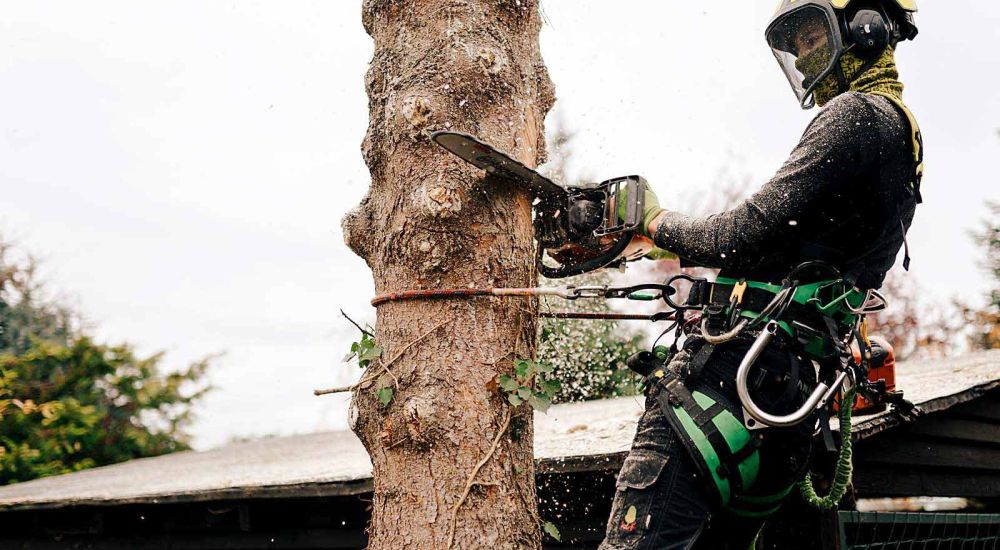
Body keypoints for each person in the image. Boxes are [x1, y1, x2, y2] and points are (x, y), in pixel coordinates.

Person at [598, 1, 923, 548]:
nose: (800, 55)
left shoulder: (859, 115)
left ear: (866, 29)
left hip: (732, 377)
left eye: (810, 36)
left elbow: (741, 233)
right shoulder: (905, 144)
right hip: (788, 403)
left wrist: (654, 221)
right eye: (792, 45)